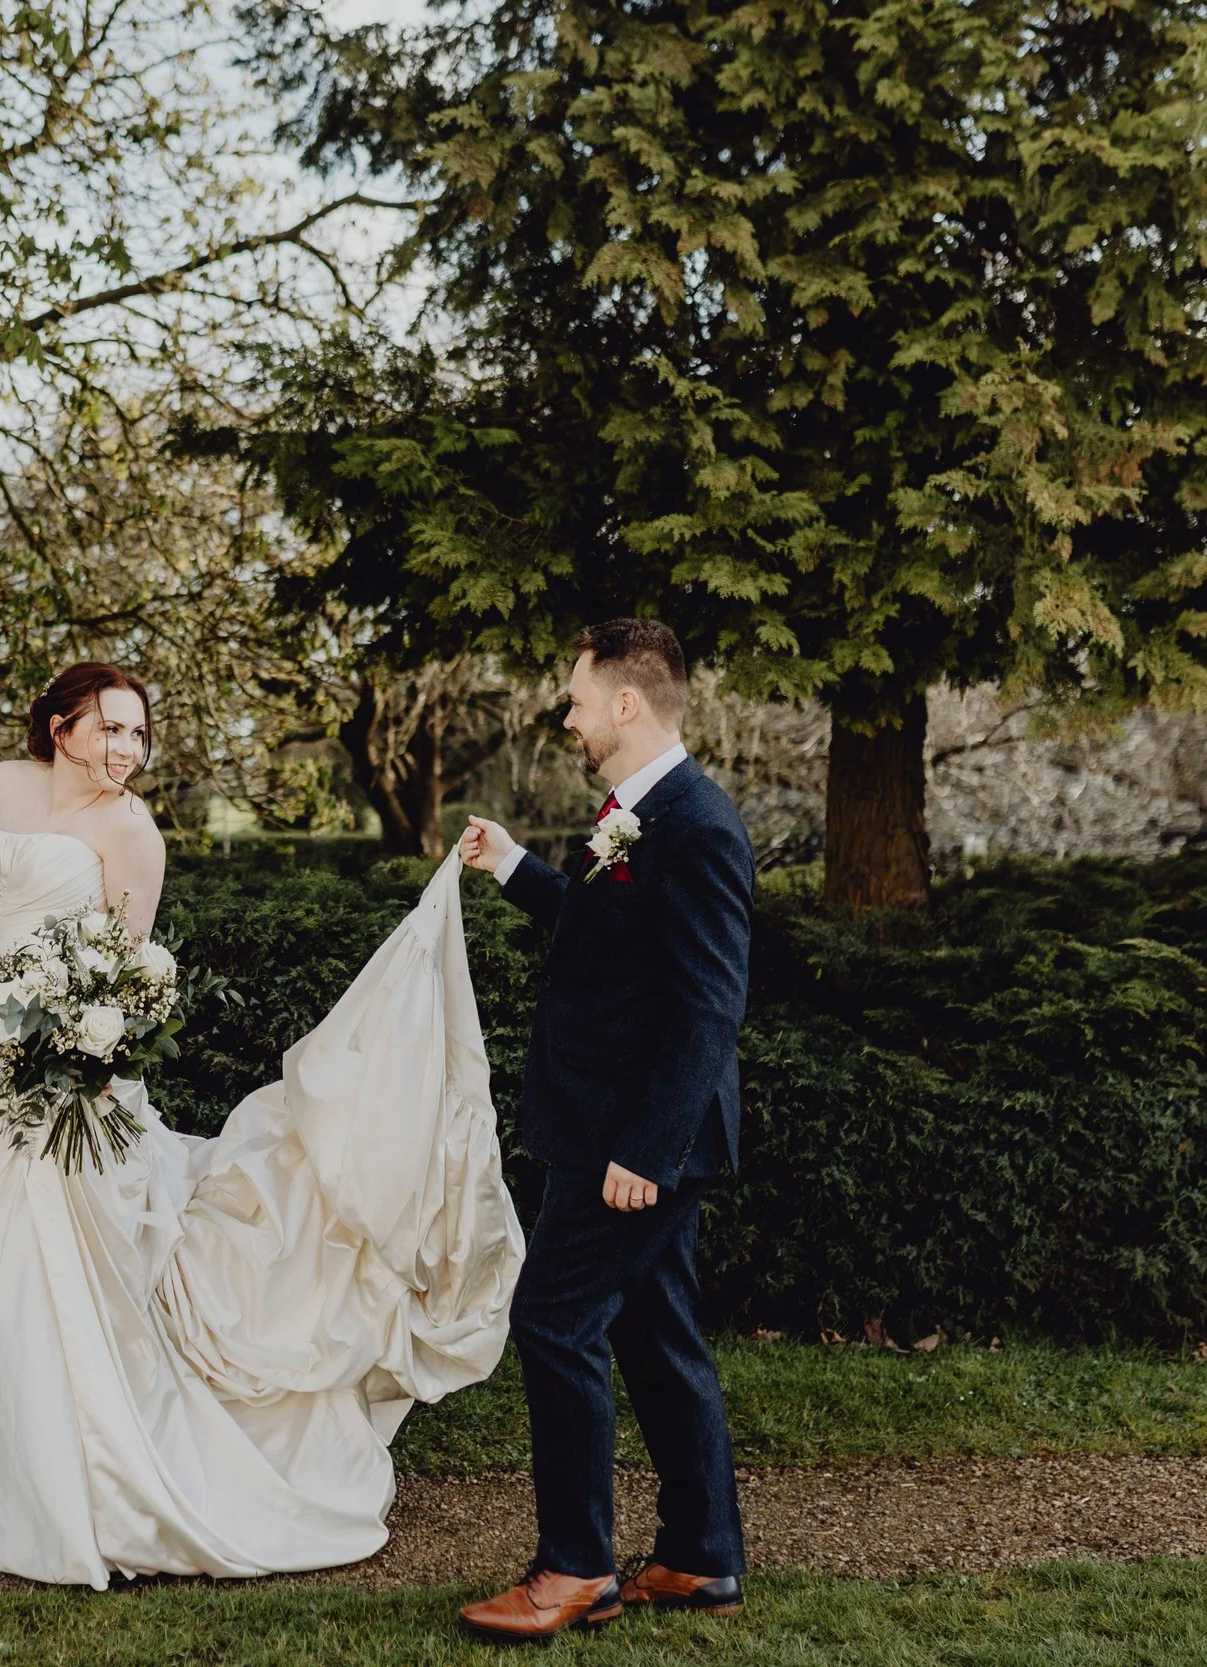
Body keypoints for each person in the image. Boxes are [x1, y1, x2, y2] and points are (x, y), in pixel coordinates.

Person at [0, 660, 524, 1587]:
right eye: (111, 728)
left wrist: (79, 1054)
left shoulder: (131, 832)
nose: (128, 750)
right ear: (58, 727)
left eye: (140, 734)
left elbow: (126, 974)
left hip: (70, 1078)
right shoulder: (3, 786)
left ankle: (85, 1485)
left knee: (56, 1268)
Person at [453, 618, 753, 1639]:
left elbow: (710, 1007)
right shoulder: (633, 811)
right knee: (655, 1332)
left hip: (630, 1140)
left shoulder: (698, 824)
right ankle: (699, 1556)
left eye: (576, 698)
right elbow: (598, 928)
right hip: (607, 1126)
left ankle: (574, 1565)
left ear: (626, 703)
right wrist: (511, 865)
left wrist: (646, 1148)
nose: (568, 715)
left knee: (553, 1318)